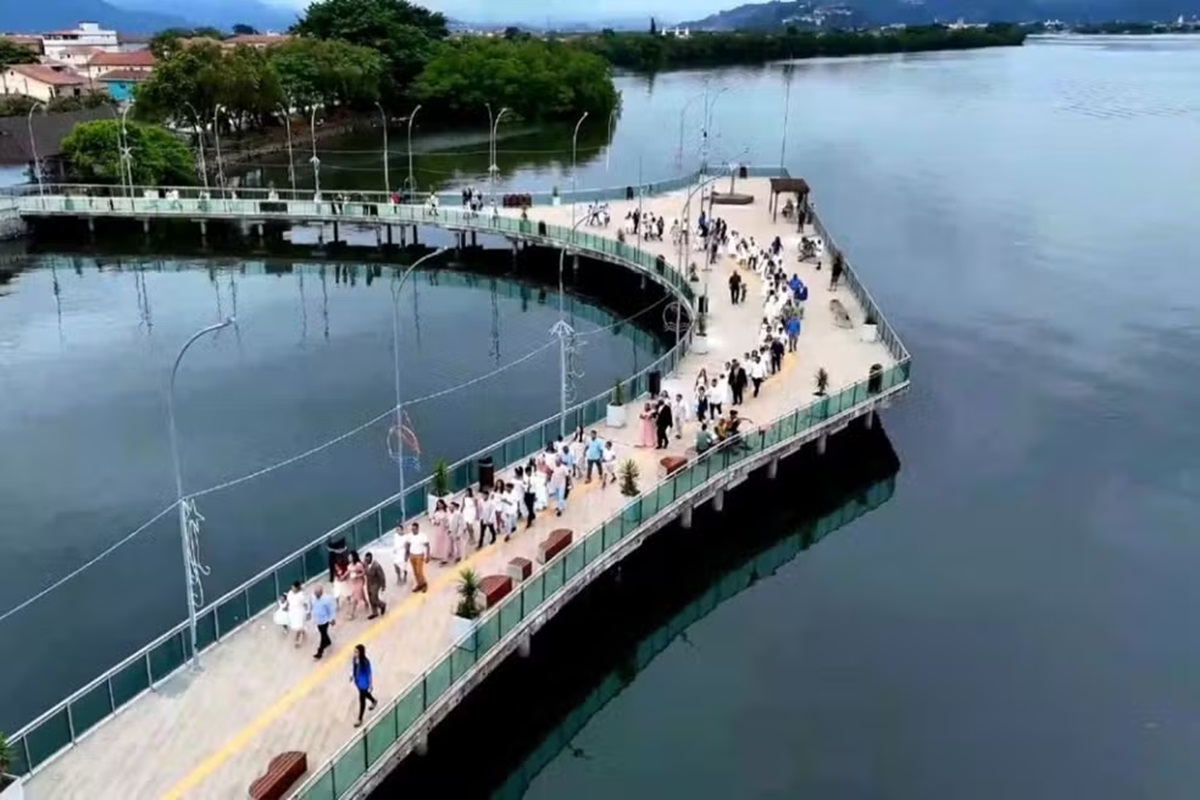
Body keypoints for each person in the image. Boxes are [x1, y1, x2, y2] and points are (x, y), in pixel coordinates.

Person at [351, 644, 378, 728]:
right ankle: (374, 701)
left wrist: (370, 684)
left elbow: (369, 673)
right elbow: (354, 668)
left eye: (356, 652)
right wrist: (352, 675)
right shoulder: (355, 659)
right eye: (354, 651)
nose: (354, 653)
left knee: (362, 699)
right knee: (365, 694)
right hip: (358, 681)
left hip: (364, 683)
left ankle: (360, 719)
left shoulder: (365, 662)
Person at [311, 585, 336, 660]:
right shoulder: (313, 597)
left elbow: (331, 609)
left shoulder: (327, 599)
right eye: (315, 593)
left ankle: (320, 651)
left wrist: (332, 619)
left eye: (317, 593)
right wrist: (309, 612)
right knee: (322, 633)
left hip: (325, 620)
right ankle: (328, 641)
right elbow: (311, 605)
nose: (316, 595)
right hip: (317, 619)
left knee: (323, 635)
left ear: (321, 592)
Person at [406, 522, 429, 592]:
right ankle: (419, 584)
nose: (413, 531)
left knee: (419, 571)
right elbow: (408, 545)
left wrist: (428, 555)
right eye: (412, 529)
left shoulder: (422, 536)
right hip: (412, 555)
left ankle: (424, 584)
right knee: (415, 572)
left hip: (419, 555)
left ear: (418, 529)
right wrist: (406, 555)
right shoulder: (410, 536)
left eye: (414, 529)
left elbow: (427, 546)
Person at [286, 581, 310, 648]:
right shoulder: (290, 593)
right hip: (292, 612)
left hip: (299, 612)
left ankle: (297, 641)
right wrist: (286, 607)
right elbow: (288, 601)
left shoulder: (301, 595)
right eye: (292, 587)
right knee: (297, 626)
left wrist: (308, 612)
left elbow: (305, 604)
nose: (292, 589)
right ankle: (303, 631)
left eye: (293, 588)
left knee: (298, 627)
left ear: (297, 588)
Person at [364, 553, 387, 618]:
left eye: (367, 559)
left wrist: (383, 585)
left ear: (371, 558)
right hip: (369, 583)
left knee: (374, 598)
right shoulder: (365, 564)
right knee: (370, 598)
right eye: (365, 559)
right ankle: (374, 612)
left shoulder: (376, 565)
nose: (366, 561)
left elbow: (381, 576)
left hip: (376, 583)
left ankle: (382, 605)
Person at [346, 551, 368, 620]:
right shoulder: (349, 565)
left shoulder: (358, 565)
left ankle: (352, 614)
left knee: (355, 598)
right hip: (353, 582)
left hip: (359, 582)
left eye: (350, 557)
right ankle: (366, 602)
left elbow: (364, 572)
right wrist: (343, 577)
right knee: (361, 594)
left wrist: (357, 575)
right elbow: (348, 572)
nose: (349, 558)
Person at [430, 499, 450, 564]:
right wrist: (434, 522)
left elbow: (448, 520)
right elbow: (432, 518)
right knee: (437, 540)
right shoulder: (436, 512)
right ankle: (436, 554)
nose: (439, 506)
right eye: (438, 505)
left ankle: (444, 554)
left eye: (440, 504)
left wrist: (446, 525)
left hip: (443, 528)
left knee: (444, 541)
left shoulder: (446, 512)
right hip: (437, 528)